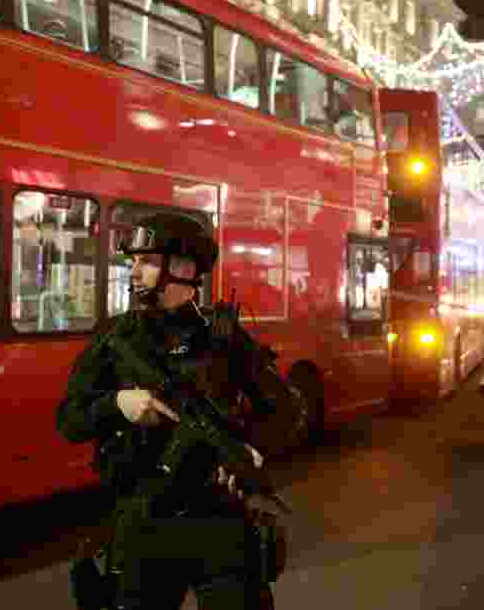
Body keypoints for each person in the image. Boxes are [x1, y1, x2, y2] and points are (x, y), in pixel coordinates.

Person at [57, 213, 304, 610]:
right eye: (133, 261)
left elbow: (287, 407)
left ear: (184, 268)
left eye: (148, 261)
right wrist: (118, 404)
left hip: (218, 519)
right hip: (142, 518)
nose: (135, 272)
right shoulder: (113, 337)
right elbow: (69, 419)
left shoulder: (223, 338)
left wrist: (251, 448)